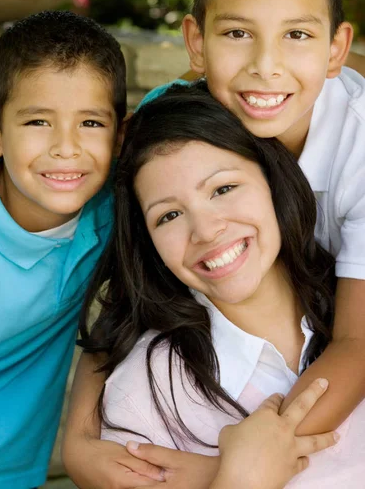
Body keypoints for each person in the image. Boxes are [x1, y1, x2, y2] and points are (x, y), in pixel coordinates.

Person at [63, 0, 365, 488]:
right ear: (196, 42)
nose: (265, 67)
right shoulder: (176, 123)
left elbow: (355, 342)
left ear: (335, 48)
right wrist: (79, 441)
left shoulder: (357, 148)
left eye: (297, 34)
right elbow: (128, 283)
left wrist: (242, 467)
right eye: (237, 33)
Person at [77, 84, 361, 488]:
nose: (207, 231)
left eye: (223, 189)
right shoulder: (145, 395)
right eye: (169, 215)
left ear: (273, 179)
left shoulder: (353, 303)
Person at [0, 10, 127, 489]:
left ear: (121, 135)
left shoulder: (115, 204)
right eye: (38, 121)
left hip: (15, 476)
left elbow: (209, 77)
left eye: (91, 123)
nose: (66, 147)